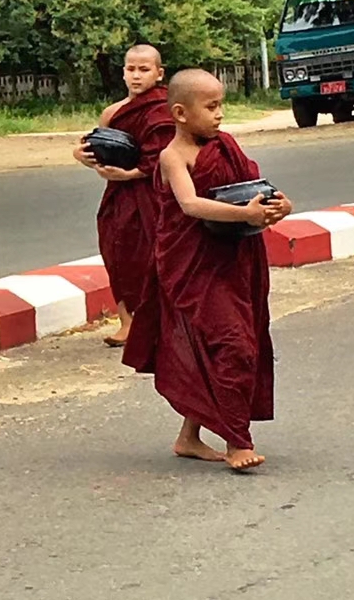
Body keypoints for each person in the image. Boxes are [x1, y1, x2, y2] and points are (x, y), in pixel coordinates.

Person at [123, 68, 293, 472]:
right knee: (232, 344)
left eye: (221, 106)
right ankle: (238, 441)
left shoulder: (227, 146)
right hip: (193, 261)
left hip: (234, 258)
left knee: (217, 344)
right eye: (212, 107)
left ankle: (188, 437)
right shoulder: (172, 156)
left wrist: (279, 206)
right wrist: (243, 213)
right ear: (180, 113)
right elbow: (190, 205)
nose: (220, 115)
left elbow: (256, 189)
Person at [73, 45, 176, 348]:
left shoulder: (167, 108)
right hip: (119, 195)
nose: (136, 75)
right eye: (131, 69)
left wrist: (133, 174)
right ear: (123, 72)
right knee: (117, 252)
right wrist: (81, 155)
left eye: (144, 69)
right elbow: (98, 147)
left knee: (155, 255)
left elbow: (168, 154)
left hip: (155, 192)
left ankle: (163, 322)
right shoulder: (113, 112)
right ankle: (127, 322)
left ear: (159, 73)